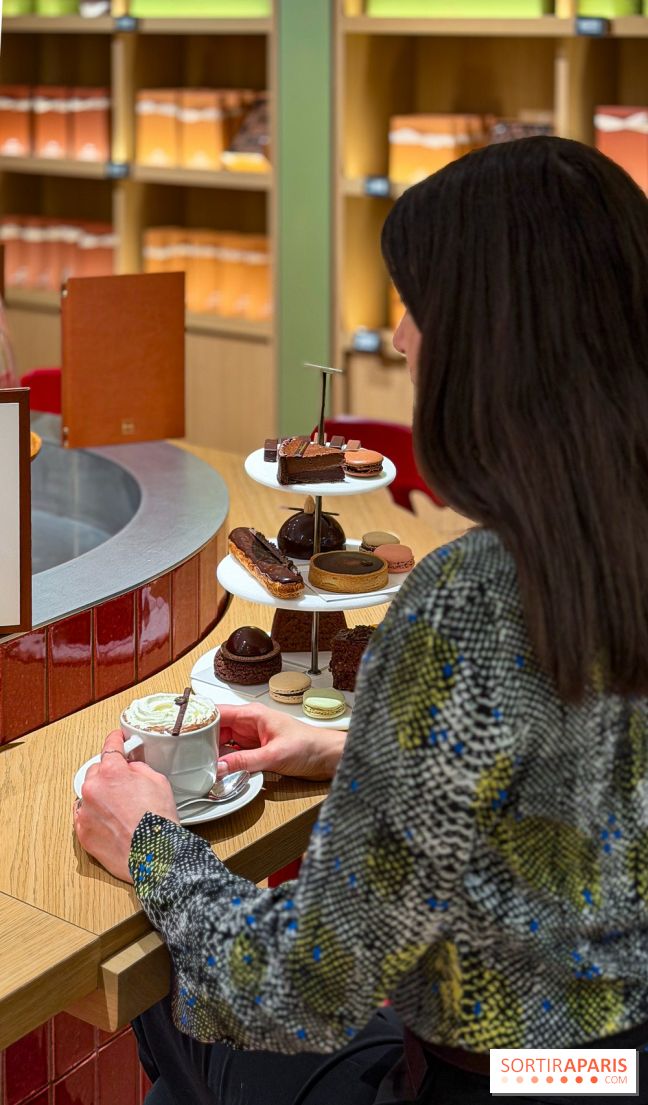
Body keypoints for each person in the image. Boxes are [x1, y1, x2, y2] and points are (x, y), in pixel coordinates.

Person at [75, 136, 648, 1104]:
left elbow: (301, 991)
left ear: (484, 341)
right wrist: (370, 758)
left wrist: (151, 841)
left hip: (506, 1081)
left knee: (171, 1016)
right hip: (607, 1069)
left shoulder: (475, 596)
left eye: (415, 311)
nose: (401, 340)